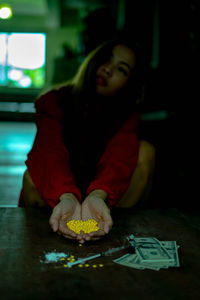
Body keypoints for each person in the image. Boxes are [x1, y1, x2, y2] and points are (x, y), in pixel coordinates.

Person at [19, 36, 155, 244]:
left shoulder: (127, 114)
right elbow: (49, 150)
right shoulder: (54, 101)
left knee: (144, 150)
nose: (108, 69)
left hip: (102, 197)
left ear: (130, 83)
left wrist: (99, 196)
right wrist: (66, 196)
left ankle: (109, 225)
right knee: (31, 175)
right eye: (106, 59)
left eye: (122, 69)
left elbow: (120, 155)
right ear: (92, 60)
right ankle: (44, 232)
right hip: (60, 193)